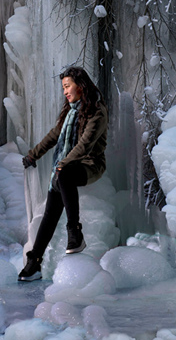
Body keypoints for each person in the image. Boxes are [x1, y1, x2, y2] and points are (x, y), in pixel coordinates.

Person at [18, 66, 108, 282]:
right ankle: (34, 263)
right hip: (65, 169)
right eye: (63, 88)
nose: (65, 92)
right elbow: (53, 136)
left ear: (81, 86)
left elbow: (85, 145)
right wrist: (33, 155)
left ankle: (75, 233)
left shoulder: (97, 111)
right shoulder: (70, 113)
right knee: (49, 215)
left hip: (89, 165)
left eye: (67, 86)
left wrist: (62, 165)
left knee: (64, 173)